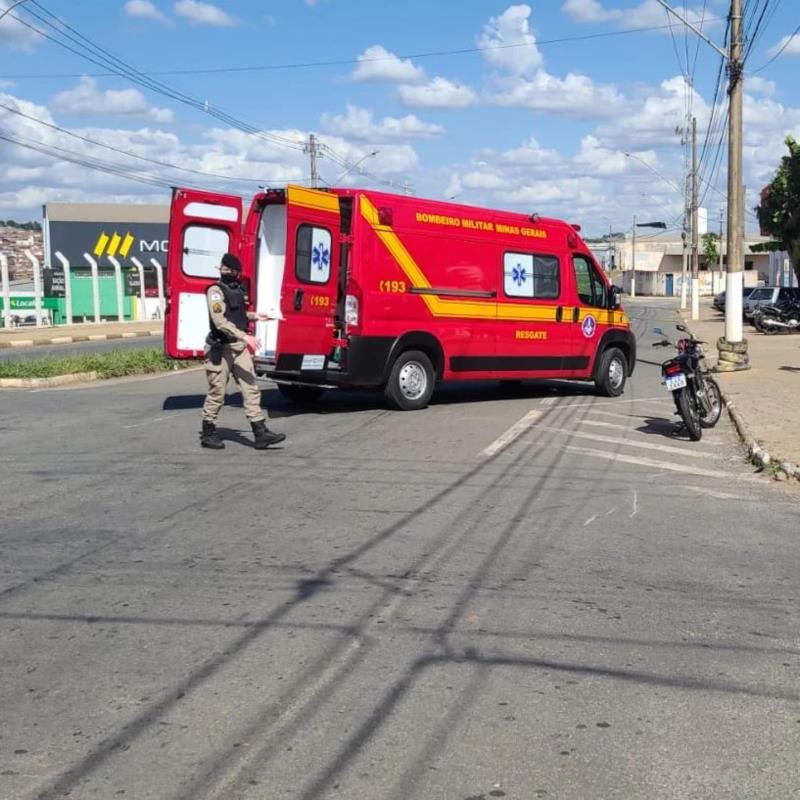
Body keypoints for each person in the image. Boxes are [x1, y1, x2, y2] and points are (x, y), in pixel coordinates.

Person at [200, 253, 286, 450]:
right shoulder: (215, 291)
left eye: (232, 271)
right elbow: (219, 321)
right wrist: (245, 336)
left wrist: (256, 316)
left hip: (238, 349)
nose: (230, 273)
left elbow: (237, 313)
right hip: (220, 349)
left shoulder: (237, 289)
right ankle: (208, 432)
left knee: (251, 387)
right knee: (217, 392)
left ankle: (260, 433)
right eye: (227, 270)